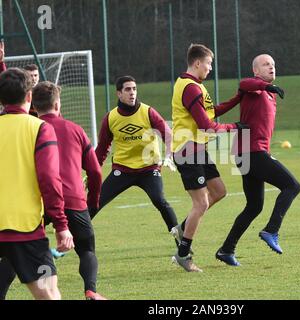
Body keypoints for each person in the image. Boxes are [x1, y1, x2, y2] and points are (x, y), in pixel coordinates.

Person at [215, 54, 300, 266]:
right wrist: (266, 87)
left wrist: (268, 89)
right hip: (251, 152)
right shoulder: (254, 88)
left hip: (246, 152)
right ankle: (271, 230)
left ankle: (226, 250)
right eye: (266, 64)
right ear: (256, 70)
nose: (271, 67)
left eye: (273, 64)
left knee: (254, 206)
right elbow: (244, 83)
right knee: (292, 186)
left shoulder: (268, 93)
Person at [170, 44, 247, 272]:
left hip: (197, 150)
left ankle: (183, 228)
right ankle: (183, 254)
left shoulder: (194, 86)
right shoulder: (190, 87)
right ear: (197, 63)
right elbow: (207, 126)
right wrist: (235, 127)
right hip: (187, 150)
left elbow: (211, 112)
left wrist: (238, 98)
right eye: (208, 64)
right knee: (201, 203)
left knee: (219, 191)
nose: (210, 68)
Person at [0, 68, 74, 300]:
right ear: (29, 96)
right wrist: (61, 225)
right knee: (48, 293)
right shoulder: (40, 128)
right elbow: (50, 180)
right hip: (25, 228)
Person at [32, 81, 106, 300]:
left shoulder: (30, 129)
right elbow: (95, 172)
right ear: (57, 103)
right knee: (87, 251)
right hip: (73, 198)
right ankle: (90, 289)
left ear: (34, 107)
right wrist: (92, 201)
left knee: (24, 251)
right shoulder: (75, 129)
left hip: (39, 200)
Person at [94, 75, 179, 246]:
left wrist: (169, 155)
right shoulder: (110, 118)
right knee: (95, 203)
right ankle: (69, 240)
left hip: (149, 169)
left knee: (159, 200)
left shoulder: (147, 112)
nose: (132, 93)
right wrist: (92, 173)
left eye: (134, 89)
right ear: (119, 94)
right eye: (127, 89)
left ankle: (182, 245)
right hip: (123, 170)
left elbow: (168, 134)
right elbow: (101, 150)